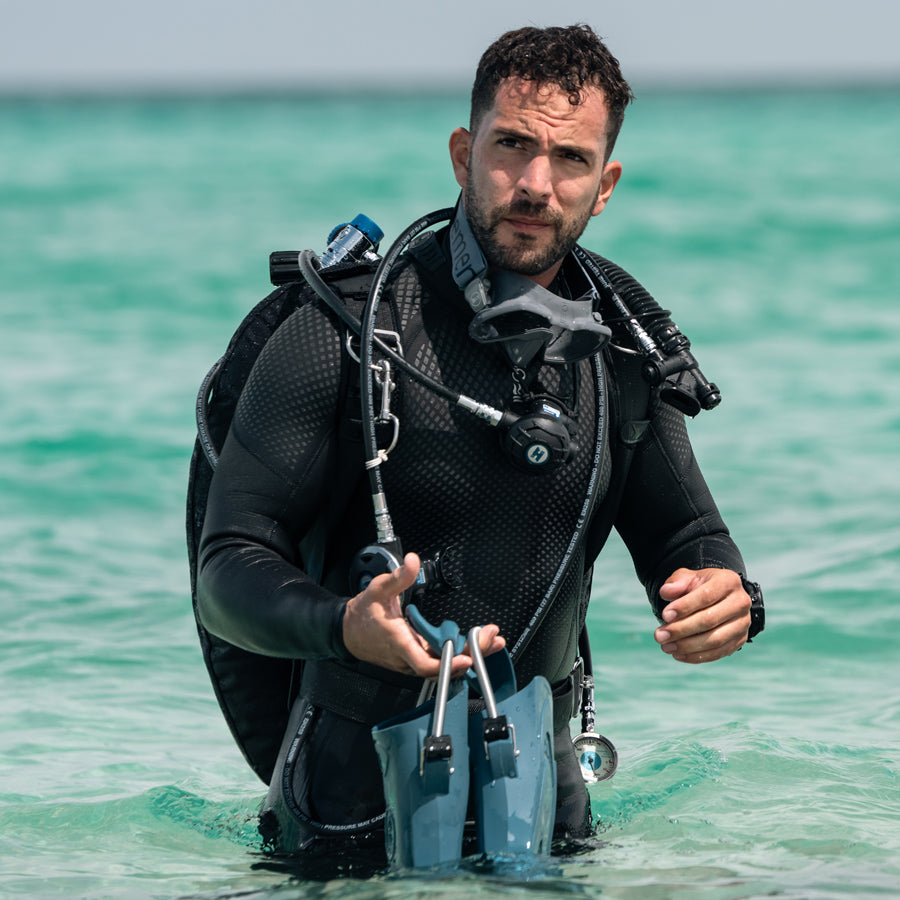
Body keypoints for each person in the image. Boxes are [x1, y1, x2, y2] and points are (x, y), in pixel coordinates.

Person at [192, 23, 764, 860]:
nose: (536, 182)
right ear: (464, 153)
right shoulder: (345, 335)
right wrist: (342, 624)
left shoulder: (621, 351)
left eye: (569, 159)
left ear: (603, 185)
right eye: (511, 146)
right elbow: (227, 569)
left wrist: (730, 599)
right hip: (346, 819)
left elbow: (686, 537)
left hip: (549, 812)